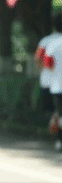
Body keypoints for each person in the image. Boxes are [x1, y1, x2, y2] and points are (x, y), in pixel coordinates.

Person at [35, 13, 62, 149]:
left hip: (49, 83)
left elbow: (40, 60)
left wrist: (44, 73)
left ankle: (55, 124)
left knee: (51, 110)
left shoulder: (46, 41)